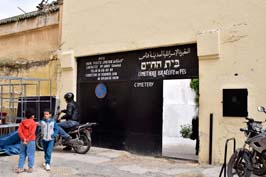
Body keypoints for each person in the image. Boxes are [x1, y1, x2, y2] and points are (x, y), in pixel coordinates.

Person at [16, 109, 37, 173]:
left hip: (23, 141)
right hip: (31, 141)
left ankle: (20, 168)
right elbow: (32, 133)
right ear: (32, 116)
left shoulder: (22, 123)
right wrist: (27, 139)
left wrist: (24, 139)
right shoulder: (34, 123)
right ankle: (30, 168)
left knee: (22, 154)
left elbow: (19, 132)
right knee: (31, 154)